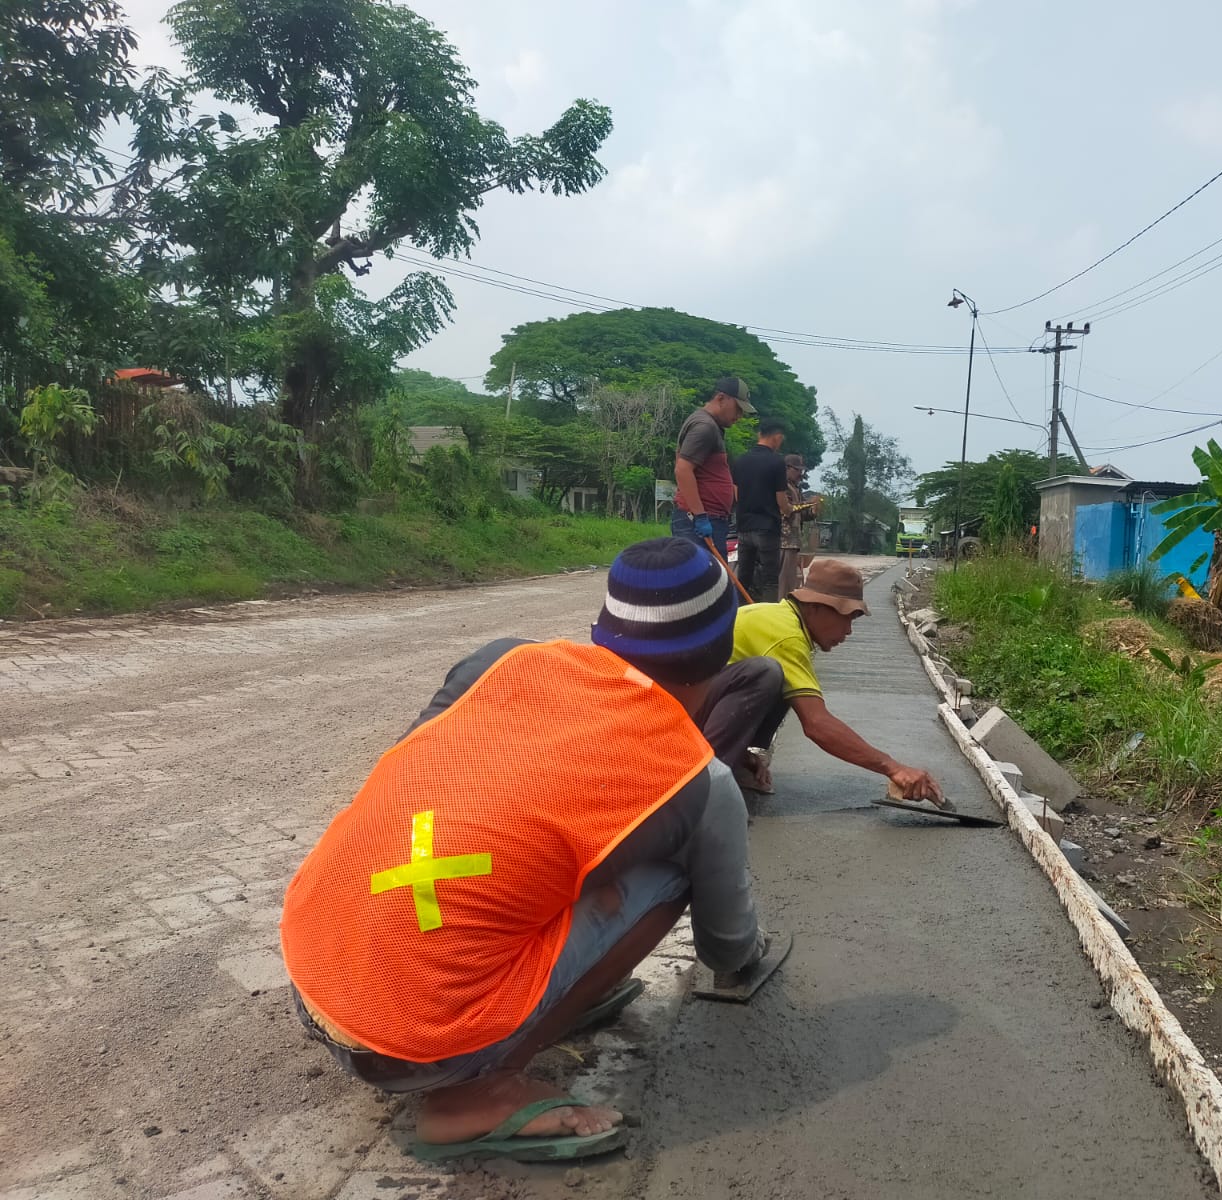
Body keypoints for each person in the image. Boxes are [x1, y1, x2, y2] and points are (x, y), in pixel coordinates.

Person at [280, 538, 767, 1164]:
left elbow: (417, 783)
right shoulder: (697, 780)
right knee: (671, 875)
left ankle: (540, 996)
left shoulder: (499, 661)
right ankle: (480, 1090)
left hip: (313, 974)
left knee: (534, 847)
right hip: (409, 1045)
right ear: (725, 653)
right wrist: (747, 954)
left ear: (605, 628)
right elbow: (724, 947)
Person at [716, 558, 943, 800]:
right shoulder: (786, 637)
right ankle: (712, 770)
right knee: (768, 674)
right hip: (683, 715)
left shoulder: (783, 619)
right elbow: (817, 724)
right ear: (814, 606)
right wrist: (893, 767)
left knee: (789, 684)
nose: (848, 630)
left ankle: (736, 758)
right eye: (845, 617)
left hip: (700, 705)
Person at [669, 376, 754, 561]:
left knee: (710, 582)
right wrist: (700, 516)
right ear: (721, 398)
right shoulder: (704, 427)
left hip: (710, 520)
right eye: (738, 409)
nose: (739, 416)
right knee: (702, 582)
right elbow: (682, 470)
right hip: (698, 522)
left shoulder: (711, 425)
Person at [731, 417, 790, 603]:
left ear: (759, 435)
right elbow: (781, 499)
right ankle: (769, 617)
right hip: (767, 527)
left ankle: (740, 614)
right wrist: (788, 510)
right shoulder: (777, 463)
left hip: (744, 526)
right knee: (770, 579)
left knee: (744, 577)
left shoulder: (741, 461)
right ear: (777, 437)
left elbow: (736, 494)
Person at [778, 454, 819, 598]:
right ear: (787, 468)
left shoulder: (795, 488)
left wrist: (813, 510)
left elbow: (802, 514)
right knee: (783, 583)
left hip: (793, 542)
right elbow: (788, 509)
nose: (800, 475)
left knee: (792, 582)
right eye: (797, 470)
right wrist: (809, 503)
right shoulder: (782, 487)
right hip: (783, 541)